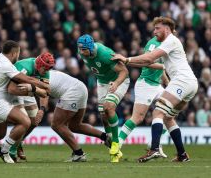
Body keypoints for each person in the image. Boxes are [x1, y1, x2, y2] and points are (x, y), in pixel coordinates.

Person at [112, 17, 198, 162]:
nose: (154, 31)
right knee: (168, 118)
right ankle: (182, 154)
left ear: (167, 29)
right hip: (190, 83)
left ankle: (154, 149)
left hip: (181, 81)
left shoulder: (170, 40)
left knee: (157, 112)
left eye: (157, 28)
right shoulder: (170, 42)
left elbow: (149, 59)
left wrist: (127, 59)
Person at [77, 34, 129, 163]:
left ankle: (116, 143)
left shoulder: (105, 54)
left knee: (108, 107)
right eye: (79, 49)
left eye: (83, 49)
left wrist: (116, 83)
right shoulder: (83, 53)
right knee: (103, 115)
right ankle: (111, 145)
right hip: (102, 82)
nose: (81, 52)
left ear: (90, 47)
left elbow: (124, 72)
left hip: (118, 81)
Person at [118, 36, 170, 158]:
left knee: (170, 111)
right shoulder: (153, 43)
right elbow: (148, 63)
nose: (156, 31)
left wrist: (167, 82)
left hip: (157, 85)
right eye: (156, 28)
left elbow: (161, 65)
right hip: (146, 84)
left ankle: (155, 143)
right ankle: (117, 143)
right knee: (138, 117)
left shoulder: (167, 44)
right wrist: (165, 67)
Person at [8, 52, 55, 161]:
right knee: (24, 121)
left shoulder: (45, 72)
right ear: (39, 64)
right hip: (15, 90)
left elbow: (45, 92)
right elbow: (12, 88)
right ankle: (11, 150)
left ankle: (18, 142)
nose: (46, 71)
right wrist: (33, 89)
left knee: (34, 121)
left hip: (28, 90)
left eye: (48, 69)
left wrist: (42, 110)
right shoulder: (24, 67)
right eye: (45, 68)